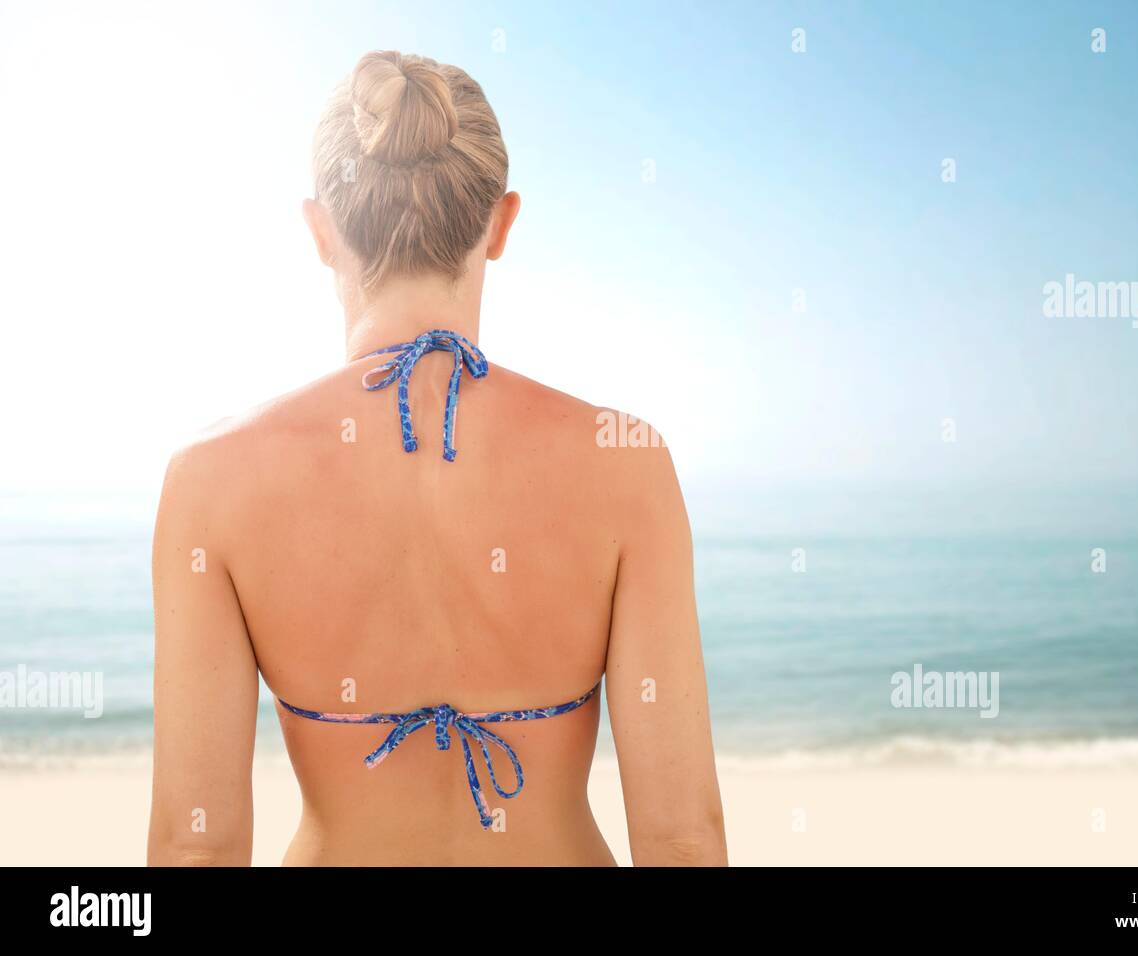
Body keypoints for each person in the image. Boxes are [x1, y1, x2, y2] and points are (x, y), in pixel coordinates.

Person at [148, 50, 726, 866]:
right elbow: (680, 837)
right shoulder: (626, 463)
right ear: (500, 223)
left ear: (321, 230)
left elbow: (192, 849)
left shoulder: (211, 480)